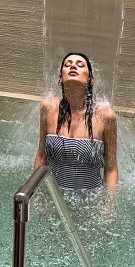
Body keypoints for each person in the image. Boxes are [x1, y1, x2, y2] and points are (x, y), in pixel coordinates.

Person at [34, 52, 118, 190]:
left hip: (91, 197)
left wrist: (109, 202)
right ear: (60, 78)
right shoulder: (48, 108)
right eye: (67, 64)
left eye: (80, 65)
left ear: (90, 79)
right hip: (55, 196)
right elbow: (41, 155)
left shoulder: (105, 116)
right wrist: (36, 193)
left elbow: (111, 167)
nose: (73, 66)